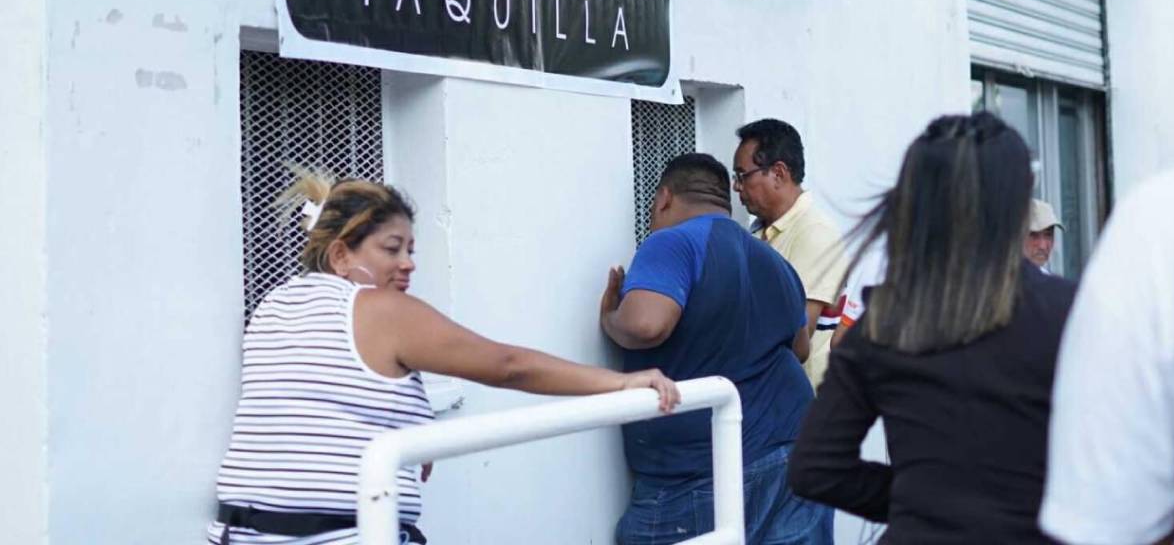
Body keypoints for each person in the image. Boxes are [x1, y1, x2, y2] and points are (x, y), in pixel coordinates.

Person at [208, 170, 679, 545]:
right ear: (340, 256)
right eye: (391, 248)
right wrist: (619, 383)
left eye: (411, 250)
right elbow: (506, 365)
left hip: (239, 532)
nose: (408, 262)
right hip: (342, 534)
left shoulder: (275, 304)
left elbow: (325, 400)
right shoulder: (378, 308)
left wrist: (412, 428)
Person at [787, 112, 1076, 543]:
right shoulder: (1070, 312)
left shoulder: (883, 321)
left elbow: (815, 469)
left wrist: (919, 500)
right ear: (1020, 203)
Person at [601, 152, 833, 545]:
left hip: (704, 471)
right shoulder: (774, 262)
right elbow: (800, 348)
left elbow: (646, 325)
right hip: (794, 448)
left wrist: (610, 316)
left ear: (663, 199)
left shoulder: (670, 242)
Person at [1039, 156, 1174, 545]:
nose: (1043, 244)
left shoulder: (1162, 225)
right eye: (1034, 234)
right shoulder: (1161, 230)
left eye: (1049, 234)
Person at [733, 119, 850, 387]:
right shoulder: (756, 233)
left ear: (778, 173)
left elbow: (797, 338)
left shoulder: (815, 233)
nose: (736, 187)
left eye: (742, 175)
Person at [1024, 198, 1063, 271]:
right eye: (1033, 235)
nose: (1042, 246)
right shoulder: (1002, 279)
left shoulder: (1050, 280)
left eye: (1048, 235)